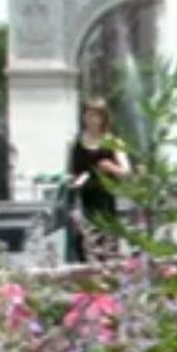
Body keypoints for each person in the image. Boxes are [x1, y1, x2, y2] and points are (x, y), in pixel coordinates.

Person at [68, 98, 131, 263]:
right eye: (88, 115)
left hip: (105, 200)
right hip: (83, 201)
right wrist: (75, 181)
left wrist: (111, 167)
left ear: (104, 118)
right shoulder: (76, 142)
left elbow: (126, 172)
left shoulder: (113, 142)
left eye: (96, 116)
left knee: (106, 246)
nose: (92, 120)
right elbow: (72, 172)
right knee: (84, 246)